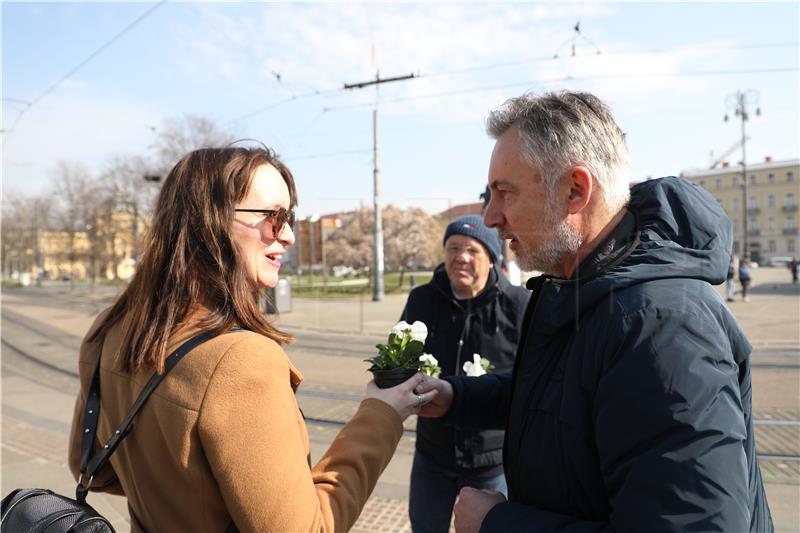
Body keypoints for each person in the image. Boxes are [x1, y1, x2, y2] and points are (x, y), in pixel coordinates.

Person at [415, 91, 772, 532]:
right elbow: (564, 397)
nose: (490, 217)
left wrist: (498, 524)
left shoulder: (660, 326)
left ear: (575, 190)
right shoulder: (582, 288)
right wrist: (457, 397)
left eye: (504, 193)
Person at [67, 145, 436, 532]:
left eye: (289, 218)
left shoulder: (110, 329)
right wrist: (382, 414)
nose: (289, 235)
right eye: (273, 218)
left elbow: (92, 465)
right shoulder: (239, 360)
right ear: (209, 223)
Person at [401, 215, 529, 533]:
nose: (461, 257)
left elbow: (529, 382)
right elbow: (400, 355)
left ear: (491, 258)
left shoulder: (519, 305)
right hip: (432, 453)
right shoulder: (422, 299)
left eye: (472, 250)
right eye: (453, 248)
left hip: (490, 462)